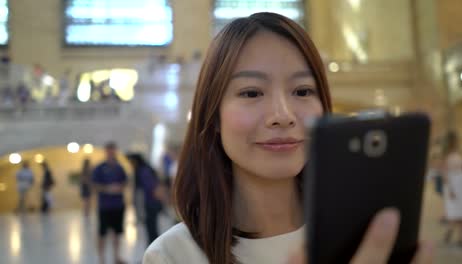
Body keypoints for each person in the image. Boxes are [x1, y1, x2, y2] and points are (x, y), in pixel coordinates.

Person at [142, 12, 433, 264]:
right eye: (251, 93)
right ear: (214, 116)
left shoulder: (368, 236)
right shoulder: (173, 255)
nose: (282, 115)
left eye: (303, 91)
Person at [92, 142, 128, 264]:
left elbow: (125, 182)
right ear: (106, 151)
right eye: (109, 151)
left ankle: (116, 257)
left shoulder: (119, 167)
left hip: (118, 205)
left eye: (113, 151)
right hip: (105, 206)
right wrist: (107, 188)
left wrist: (119, 187)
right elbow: (95, 185)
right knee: (102, 233)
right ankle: (101, 259)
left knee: (117, 233)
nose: (111, 153)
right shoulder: (99, 168)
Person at [127, 153, 167, 245]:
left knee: (151, 229)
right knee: (151, 228)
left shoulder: (143, 171)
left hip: (150, 203)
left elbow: (151, 187)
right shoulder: (145, 170)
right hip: (151, 203)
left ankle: (153, 253)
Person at [442, 131, 462, 247]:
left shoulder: (459, 153)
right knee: (455, 213)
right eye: (457, 140)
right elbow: (445, 173)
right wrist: (451, 189)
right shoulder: (446, 155)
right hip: (453, 185)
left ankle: (461, 239)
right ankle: (450, 230)